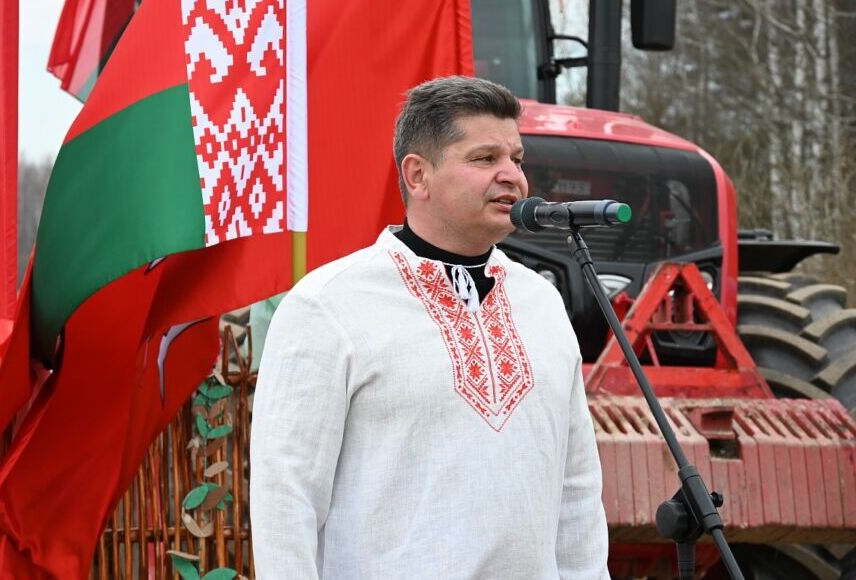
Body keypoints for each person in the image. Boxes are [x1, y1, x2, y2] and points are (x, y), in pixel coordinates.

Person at [250, 75, 609, 579]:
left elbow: (577, 489)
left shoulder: (542, 303)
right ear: (418, 175)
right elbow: (285, 498)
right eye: (485, 158)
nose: (512, 176)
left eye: (517, 159)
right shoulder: (327, 306)